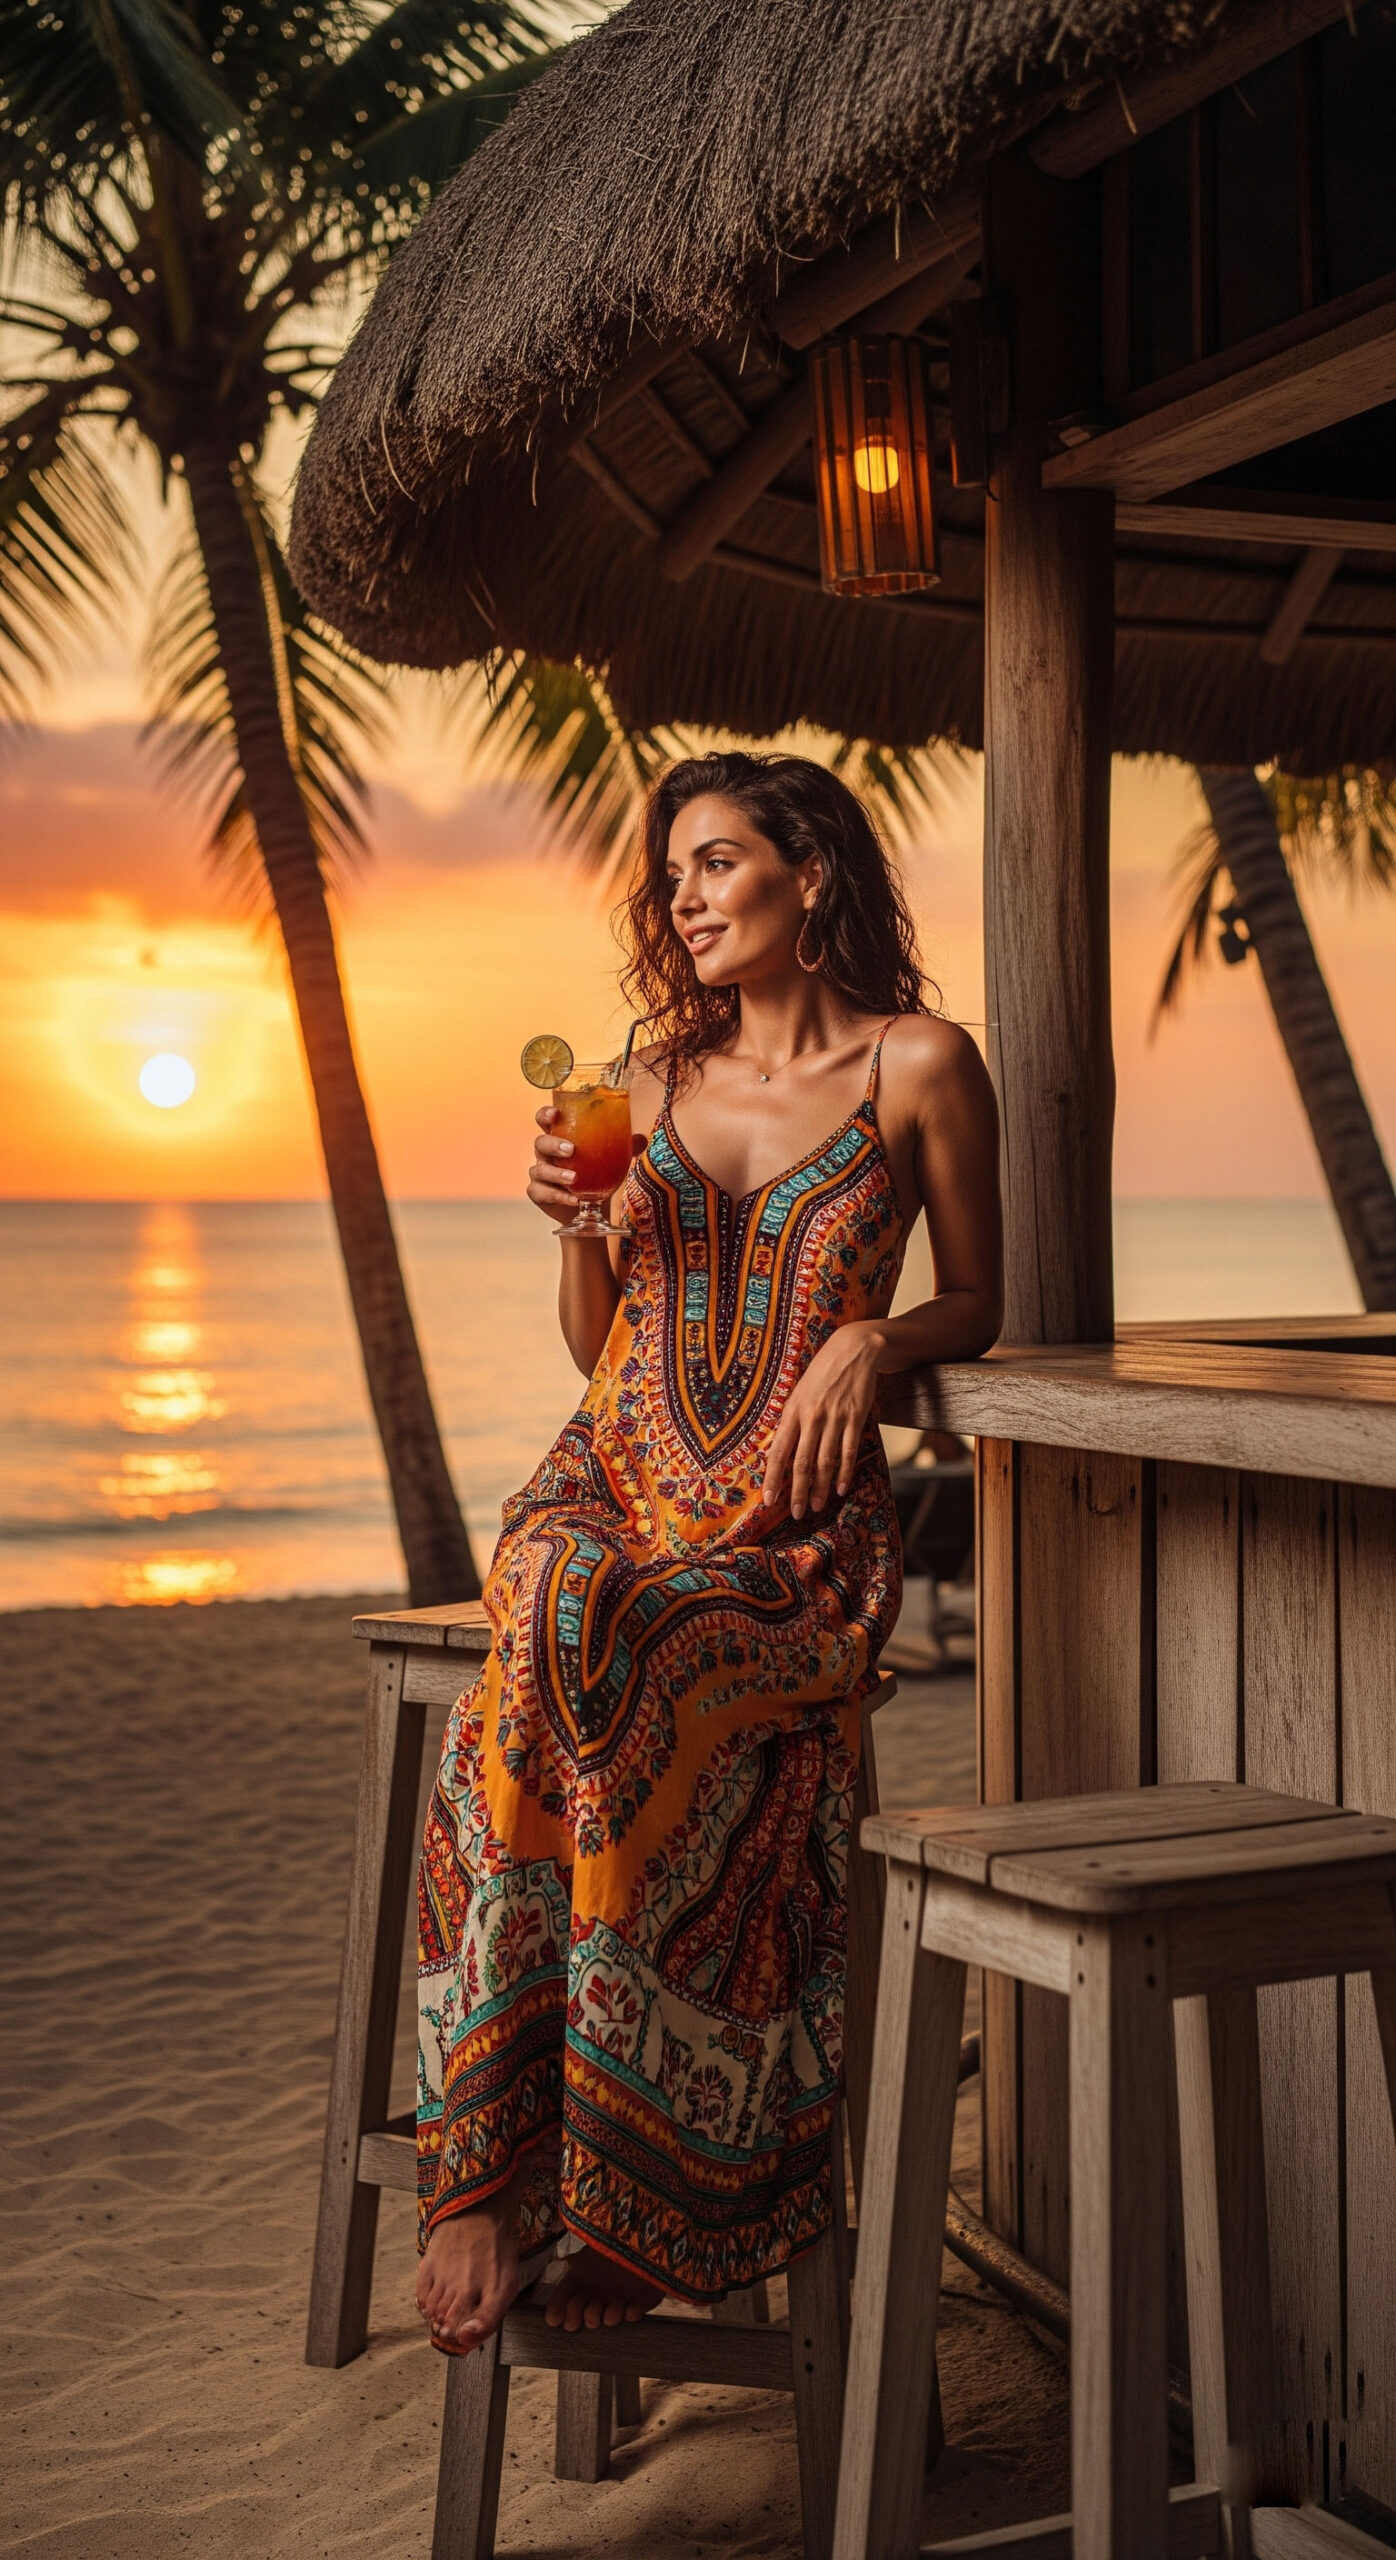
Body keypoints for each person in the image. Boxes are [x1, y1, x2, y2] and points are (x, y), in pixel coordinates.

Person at [415, 751, 1002, 2355]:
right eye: (672, 872)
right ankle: (487, 2163)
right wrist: (569, 1234)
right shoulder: (639, 1085)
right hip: (612, 1472)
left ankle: (628, 2178)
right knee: (549, 1596)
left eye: (719, 861)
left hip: (791, 1532)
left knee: (652, 1648)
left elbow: (988, 1301)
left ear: (810, 874)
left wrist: (872, 1343)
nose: (683, 897)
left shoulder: (921, 1066)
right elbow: (595, 1341)